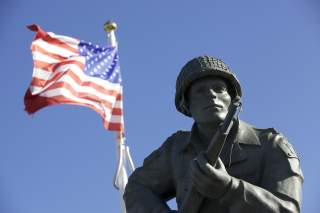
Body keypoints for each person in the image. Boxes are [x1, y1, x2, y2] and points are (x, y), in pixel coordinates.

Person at [123, 56, 303, 213]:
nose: (211, 95)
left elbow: (288, 209)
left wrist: (229, 189)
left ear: (233, 99)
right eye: (200, 91)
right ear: (187, 105)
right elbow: (136, 188)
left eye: (219, 88)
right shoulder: (175, 149)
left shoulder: (271, 144)